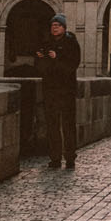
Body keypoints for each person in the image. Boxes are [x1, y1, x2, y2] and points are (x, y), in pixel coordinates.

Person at [38, 11, 80, 170]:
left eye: (57, 25)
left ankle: (70, 158)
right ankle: (55, 158)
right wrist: (42, 58)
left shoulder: (71, 43)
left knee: (68, 124)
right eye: (52, 26)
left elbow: (71, 65)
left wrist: (57, 58)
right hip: (50, 89)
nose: (54, 28)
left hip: (66, 90)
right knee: (52, 125)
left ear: (64, 28)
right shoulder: (47, 43)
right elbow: (41, 68)